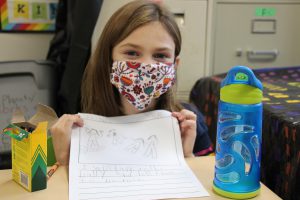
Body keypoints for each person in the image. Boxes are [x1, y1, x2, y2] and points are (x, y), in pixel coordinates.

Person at [51, 0, 212, 166]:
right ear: (108, 59)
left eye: (160, 55)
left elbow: (208, 185)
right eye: (132, 53)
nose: (147, 66)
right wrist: (64, 159)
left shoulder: (190, 125)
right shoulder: (83, 129)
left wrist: (187, 156)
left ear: (174, 65)